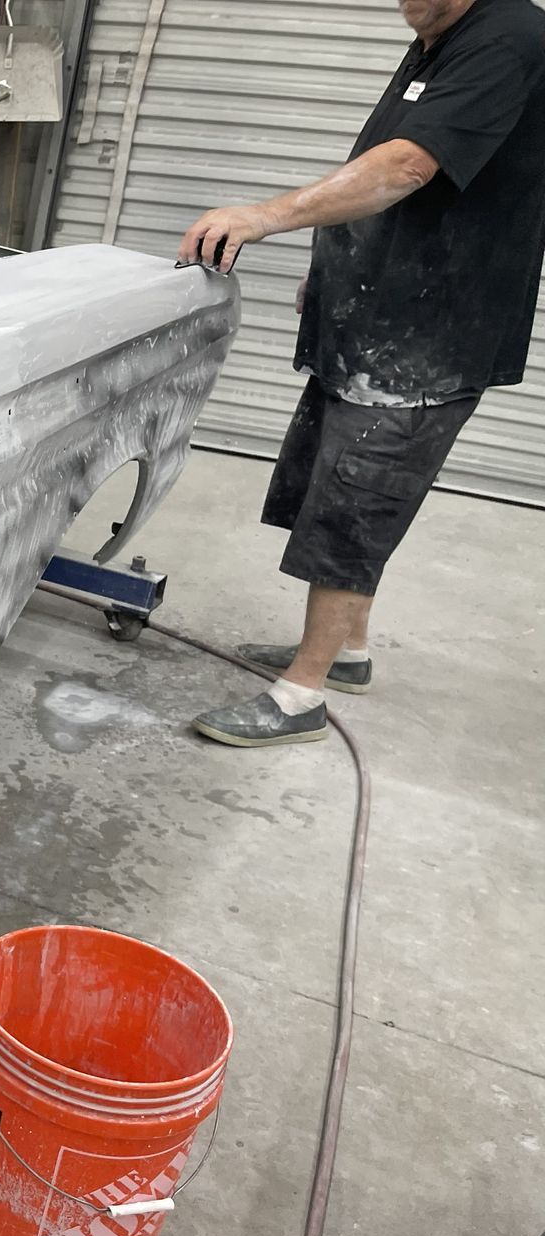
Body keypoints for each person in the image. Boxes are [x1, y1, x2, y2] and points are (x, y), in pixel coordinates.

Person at [176, 0, 545, 747]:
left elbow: (410, 165)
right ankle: (346, 651)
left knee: (359, 500)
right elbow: (393, 159)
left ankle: (300, 696)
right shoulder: (441, 38)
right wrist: (340, 269)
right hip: (386, 313)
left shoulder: (509, 37)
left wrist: (263, 216)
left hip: (431, 329)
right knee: (340, 482)